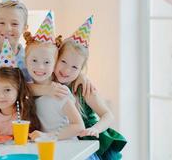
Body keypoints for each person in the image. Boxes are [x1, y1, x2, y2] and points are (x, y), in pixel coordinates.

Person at [54, 17, 127, 159]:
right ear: (56, 58)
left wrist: (95, 129)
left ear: (81, 69)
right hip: (64, 140)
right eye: (63, 61)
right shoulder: (48, 82)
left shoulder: (82, 88)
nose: (67, 70)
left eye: (75, 67)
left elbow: (108, 115)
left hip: (86, 140)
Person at [24, 12, 84, 141]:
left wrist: (48, 136)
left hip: (67, 149)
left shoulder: (59, 92)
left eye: (47, 62)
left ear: (55, 64)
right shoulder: (25, 88)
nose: (40, 67)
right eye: (34, 60)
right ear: (25, 61)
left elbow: (78, 126)